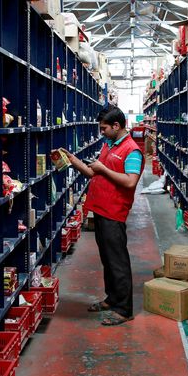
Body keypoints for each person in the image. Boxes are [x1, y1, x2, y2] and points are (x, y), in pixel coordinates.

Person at [60, 105, 144, 326]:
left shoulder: (132, 150)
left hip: (114, 212)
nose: (102, 132)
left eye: (104, 128)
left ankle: (124, 310)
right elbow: (91, 172)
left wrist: (104, 169)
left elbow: (130, 181)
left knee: (117, 261)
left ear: (117, 126)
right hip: (101, 209)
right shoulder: (110, 145)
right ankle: (112, 298)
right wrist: (70, 159)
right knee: (107, 259)